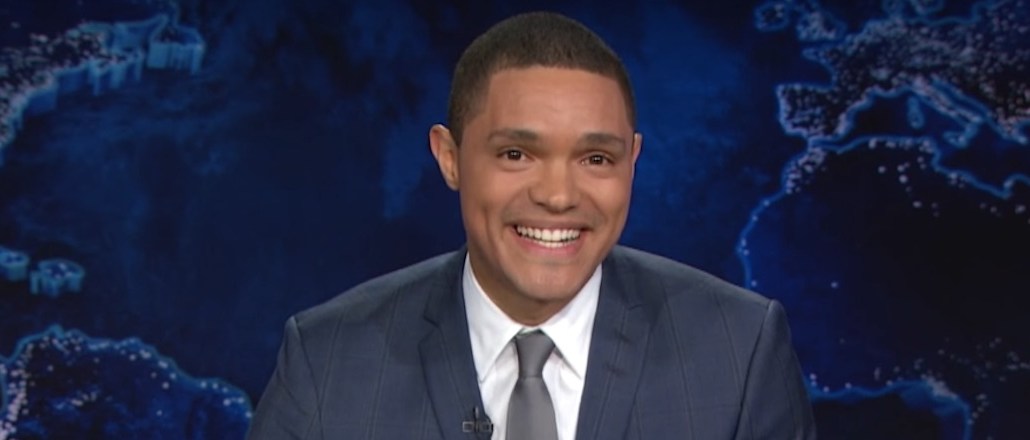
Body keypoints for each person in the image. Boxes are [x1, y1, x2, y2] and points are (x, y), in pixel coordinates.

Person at [247, 11, 815, 440]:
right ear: (450, 157)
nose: (558, 196)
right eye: (516, 154)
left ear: (633, 161)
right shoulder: (328, 361)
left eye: (597, 158)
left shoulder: (738, 351)